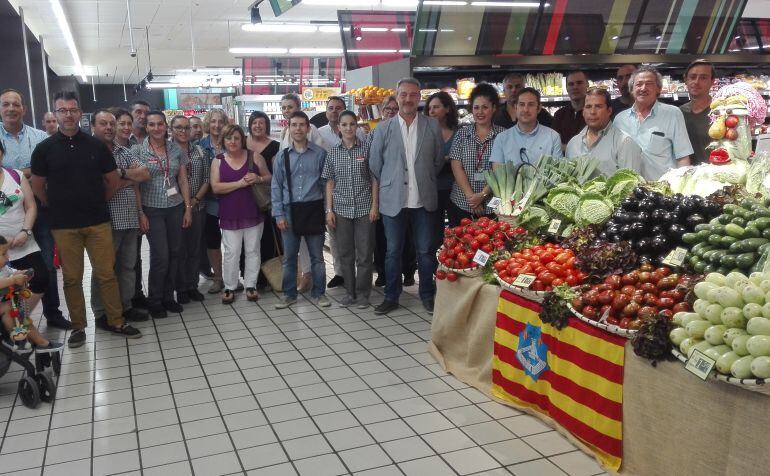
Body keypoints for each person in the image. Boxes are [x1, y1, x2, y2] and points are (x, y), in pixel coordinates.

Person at [31, 91, 141, 347]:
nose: (68, 115)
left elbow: (112, 181)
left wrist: (98, 201)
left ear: (80, 113)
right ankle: (78, 327)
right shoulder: (44, 149)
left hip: (98, 222)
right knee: (72, 278)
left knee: (106, 274)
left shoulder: (96, 146)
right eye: (62, 110)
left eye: (73, 110)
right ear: (55, 114)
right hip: (64, 226)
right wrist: (54, 204)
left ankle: (116, 320)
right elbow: (37, 186)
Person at [369, 77, 444, 315]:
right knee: (393, 251)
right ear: (397, 96)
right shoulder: (383, 128)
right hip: (393, 200)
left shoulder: (432, 126)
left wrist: (423, 176)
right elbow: (375, 164)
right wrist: (391, 182)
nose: (408, 99)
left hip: (423, 198)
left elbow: (438, 160)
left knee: (425, 251)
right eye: (404, 94)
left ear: (419, 97)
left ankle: (427, 295)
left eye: (413, 94)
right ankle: (391, 296)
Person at [0, 89, 69, 330]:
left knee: (46, 266)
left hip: (39, 208)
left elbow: (48, 170)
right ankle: (10, 323)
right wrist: (29, 172)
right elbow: (34, 172)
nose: (11, 108)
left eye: (15, 104)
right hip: (5, 215)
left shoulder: (40, 137)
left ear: (24, 108)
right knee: (5, 269)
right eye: (6, 104)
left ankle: (52, 314)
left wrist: (15, 174)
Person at [89, 109, 150, 329]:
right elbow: (100, 187)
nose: (109, 128)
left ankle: (125, 306)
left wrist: (120, 174)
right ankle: (101, 312)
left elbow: (144, 174)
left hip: (129, 218)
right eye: (103, 123)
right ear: (93, 126)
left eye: (111, 124)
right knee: (104, 270)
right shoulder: (89, 153)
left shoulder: (122, 151)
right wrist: (129, 178)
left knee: (127, 267)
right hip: (105, 221)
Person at [135, 111, 193, 319]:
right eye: (152, 124)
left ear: (165, 126)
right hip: (152, 209)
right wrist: (140, 213)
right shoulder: (138, 151)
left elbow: (182, 180)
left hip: (175, 207)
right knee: (161, 255)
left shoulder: (175, 149)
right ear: (146, 127)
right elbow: (135, 185)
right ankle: (155, 300)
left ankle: (169, 297)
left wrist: (188, 208)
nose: (156, 128)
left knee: (175, 252)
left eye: (160, 124)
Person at [271, 111, 330, 309]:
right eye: (294, 125)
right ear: (289, 128)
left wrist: (327, 211)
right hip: (289, 211)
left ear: (308, 128)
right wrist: (278, 214)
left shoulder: (320, 154)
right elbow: (276, 186)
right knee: (289, 257)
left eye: (302, 125)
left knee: (317, 257)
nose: (298, 129)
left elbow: (325, 184)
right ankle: (289, 294)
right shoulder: (282, 156)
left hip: (314, 208)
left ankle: (320, 293)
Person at [323, 110, 378, 308]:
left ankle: (363, 294)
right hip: (341, 210)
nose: (348, 128)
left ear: (357, 126)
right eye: (344, 125)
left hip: (364, 208)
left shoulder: (366, 149)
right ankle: (349, 292)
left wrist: (375, 206)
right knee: (345, 254)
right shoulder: (333, 152)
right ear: (339, 127)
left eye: (352, 124)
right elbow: (329, 182)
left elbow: (374, 179)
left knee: (364, 254)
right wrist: (329, 210)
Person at [211, 124, 270, 304]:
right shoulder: (218, 161)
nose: (233, 141)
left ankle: (250, 285)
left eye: (236, 138)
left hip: (253, 212)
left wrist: (258, 178)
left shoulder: (254, 156)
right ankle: (230, 286)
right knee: (232, 252)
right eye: (229, 138)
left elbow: (269, 177)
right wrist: (239, 183)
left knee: (253, 250)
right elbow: (216, 187)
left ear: (242, 140)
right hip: (229, 214)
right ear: (223, 141)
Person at [0, 142, 52, 338]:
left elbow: (31, 206)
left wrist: (25, 230)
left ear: (2, 153)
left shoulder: (16, 175)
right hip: (1, 250)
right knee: (5, 288)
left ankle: (18, 321)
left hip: (23, 242)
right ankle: (12, 326)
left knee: (40, 278)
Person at [317, 96, 368, 289]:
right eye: (331, 108)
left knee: (361, 245)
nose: (334, 111)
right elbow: (327, 176)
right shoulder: (319, 133)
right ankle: (341, 274)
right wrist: (329, 208)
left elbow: (370, 171)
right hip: (334, 195)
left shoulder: (361, 135)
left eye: (338, 108)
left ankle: (360, 283)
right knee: (337, 239)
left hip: (361, 198)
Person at [278, 93, 325, 292]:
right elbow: (279, 176)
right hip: (291, 201)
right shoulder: (284, 133)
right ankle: (301, 279)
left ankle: (311, 279)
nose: (286, 110)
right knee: (294, 250)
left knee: (313, 249)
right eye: (283, 107)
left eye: (290, 106)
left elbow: (321, 165)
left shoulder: (311, 130)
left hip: (311, 200)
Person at [614, 65, 693, 180]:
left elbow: (683, 156)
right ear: (632, 89)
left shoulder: (673, 113)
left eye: (649, 84)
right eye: (639, 84)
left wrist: (684, 184)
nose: (643, 88)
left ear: (659, 89)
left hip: (663, 186)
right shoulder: (620, 120)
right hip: (630, 187)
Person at [371, 95, 417, 288]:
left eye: (394, 108)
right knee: (383, 238)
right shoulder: (377, 131)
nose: (390, 112)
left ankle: (408, 271)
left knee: (408, 237)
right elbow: (374, 165)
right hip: (384, 193)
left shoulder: (408, 130)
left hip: (407, 194)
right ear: (382, 111)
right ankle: (384, 274)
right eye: (387, 109)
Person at [448, 83, 505, 226]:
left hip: (493, 204)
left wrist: (482, 195)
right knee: (462, 239)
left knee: (492, 239)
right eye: (476, 107)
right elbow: (456, 167)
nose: (480, 112)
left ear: (494, 108)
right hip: (462, 202)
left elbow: (500, 170)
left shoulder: (503, 135)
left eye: (485, 107)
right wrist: (472, 198)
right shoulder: (462, 134)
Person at [170, 115, 208, 304]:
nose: (183, 131)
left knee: (194, 248)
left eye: (186, 127)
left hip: (197, 206)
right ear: (171, 130)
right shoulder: (167, 151)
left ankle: (192, 285)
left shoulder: (200, 151)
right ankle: (181, 288)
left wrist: (195, 200)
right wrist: (184, 203)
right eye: (179, 127)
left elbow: (207, 179)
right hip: (174, 207)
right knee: (179, 249)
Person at [0, 237, 62, 352]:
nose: (8, 257)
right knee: (8, 309)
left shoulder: (4, 268)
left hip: (8, 303)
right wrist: (12, 280)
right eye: (4, 254)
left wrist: (20, 273)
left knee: (22, 316)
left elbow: (12, 273)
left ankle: (40, 342)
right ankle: (14, 339)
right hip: (4, 307)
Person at [566, 87, 643, 176]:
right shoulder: (572, 144)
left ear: (609, 111)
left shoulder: (625, 143)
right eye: (588, 107)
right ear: (583, 112)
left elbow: (632, 182)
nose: (592, 112)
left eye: (598, 106)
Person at [246, 111, 282, 290]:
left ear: (267, 125)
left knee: (268, 238)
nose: (258, 126)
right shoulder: (241, 143)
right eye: (254, 123)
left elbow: (278, 175)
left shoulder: (275, 146)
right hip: (245, 199)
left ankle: (270, 277)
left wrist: (259, 179)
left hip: (266, 200)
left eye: (261, 123)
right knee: (249, 241)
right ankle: (252, 278)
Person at [490, 87, 563, 168]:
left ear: (539, 108)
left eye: (531, 105)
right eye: (522, 104)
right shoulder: (501, 139)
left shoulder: (553, 137)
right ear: (515, 108)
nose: (525, 110)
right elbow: (498, 172)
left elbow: (557, 171)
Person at [424, 91, 459, 246]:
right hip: (432, 189)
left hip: (455, 189)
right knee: (433, 233)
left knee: (456, 230)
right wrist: (447, 159)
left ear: (447, 109)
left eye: (436, 107)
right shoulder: (424, 133)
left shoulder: (459, 132)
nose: (431, 111)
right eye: (430, 108)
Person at [199, 108, 228, 294]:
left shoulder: (231, 142)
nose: (217, 125)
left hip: (230, 198)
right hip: (209, 200)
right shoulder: (200, 146)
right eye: (213, 121)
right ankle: (218, 278)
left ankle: (232, 277)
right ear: (208, 124)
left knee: (232, 240)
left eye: (220, 122)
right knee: (213, 239)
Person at [129, 100, 152, 310]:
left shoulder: (156, 138)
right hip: (131, 207)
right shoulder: (122, 140)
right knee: (132, 256)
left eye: (146, 113)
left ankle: (157, 292)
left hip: (155, 204)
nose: (142, 116)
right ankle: (134, 295)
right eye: (138, 112)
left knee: (161, 252)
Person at [681, 59, 716, 165]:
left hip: (715, 172)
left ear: (712, 81)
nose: (696, 82)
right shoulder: (678, 113)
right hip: (685, 172)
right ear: (685, 80)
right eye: (692, 77)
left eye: (703, 78)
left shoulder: (721, 112)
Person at [552, 71, 588, 147]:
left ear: (587, 85)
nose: (575, 87)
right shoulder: (559, 115)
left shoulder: (595, 114)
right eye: (571, 84)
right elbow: (555, 145)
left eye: (579, 83)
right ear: (566, 88)